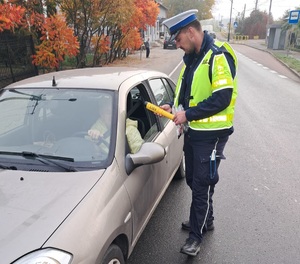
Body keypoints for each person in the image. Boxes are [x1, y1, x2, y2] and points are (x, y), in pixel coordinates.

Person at [162, 9, 238, 257]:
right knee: (196, 180)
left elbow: (222, 98)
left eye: (178, 38)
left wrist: (189, 115)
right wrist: (173, 109)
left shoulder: (217, 57)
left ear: (191, 32)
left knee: (201, 186)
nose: (176, 43)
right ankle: (207, 219)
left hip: (213, 135)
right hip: (194, 134)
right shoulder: (191, 60)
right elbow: (187, 97)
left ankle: (196, 236)